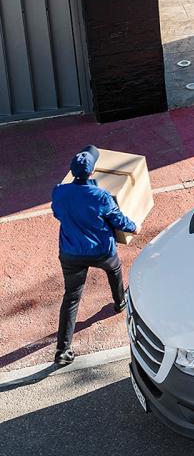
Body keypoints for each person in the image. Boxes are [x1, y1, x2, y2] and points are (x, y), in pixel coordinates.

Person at [50, 146, 139, 366]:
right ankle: (119, 302)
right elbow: (118, 220)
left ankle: (62, 350)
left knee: (71, 297)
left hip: (71, 253)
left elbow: (57, 213)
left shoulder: (59, 191)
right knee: (114, 269)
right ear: (92, 172)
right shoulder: (100, 196)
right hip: (101, 250)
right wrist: (133, 227)